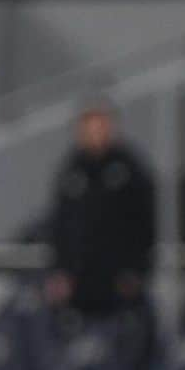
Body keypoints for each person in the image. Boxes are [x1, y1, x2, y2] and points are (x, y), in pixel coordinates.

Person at [46, 103, 156, 317]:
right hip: (79, 283)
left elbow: (144, 224)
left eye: (100, 127)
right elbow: (60, 224)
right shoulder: (71, 169)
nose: (95, 134)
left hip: (120, 282)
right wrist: (60, 271)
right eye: (89, 128)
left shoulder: (129, 168)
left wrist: (137, 270)